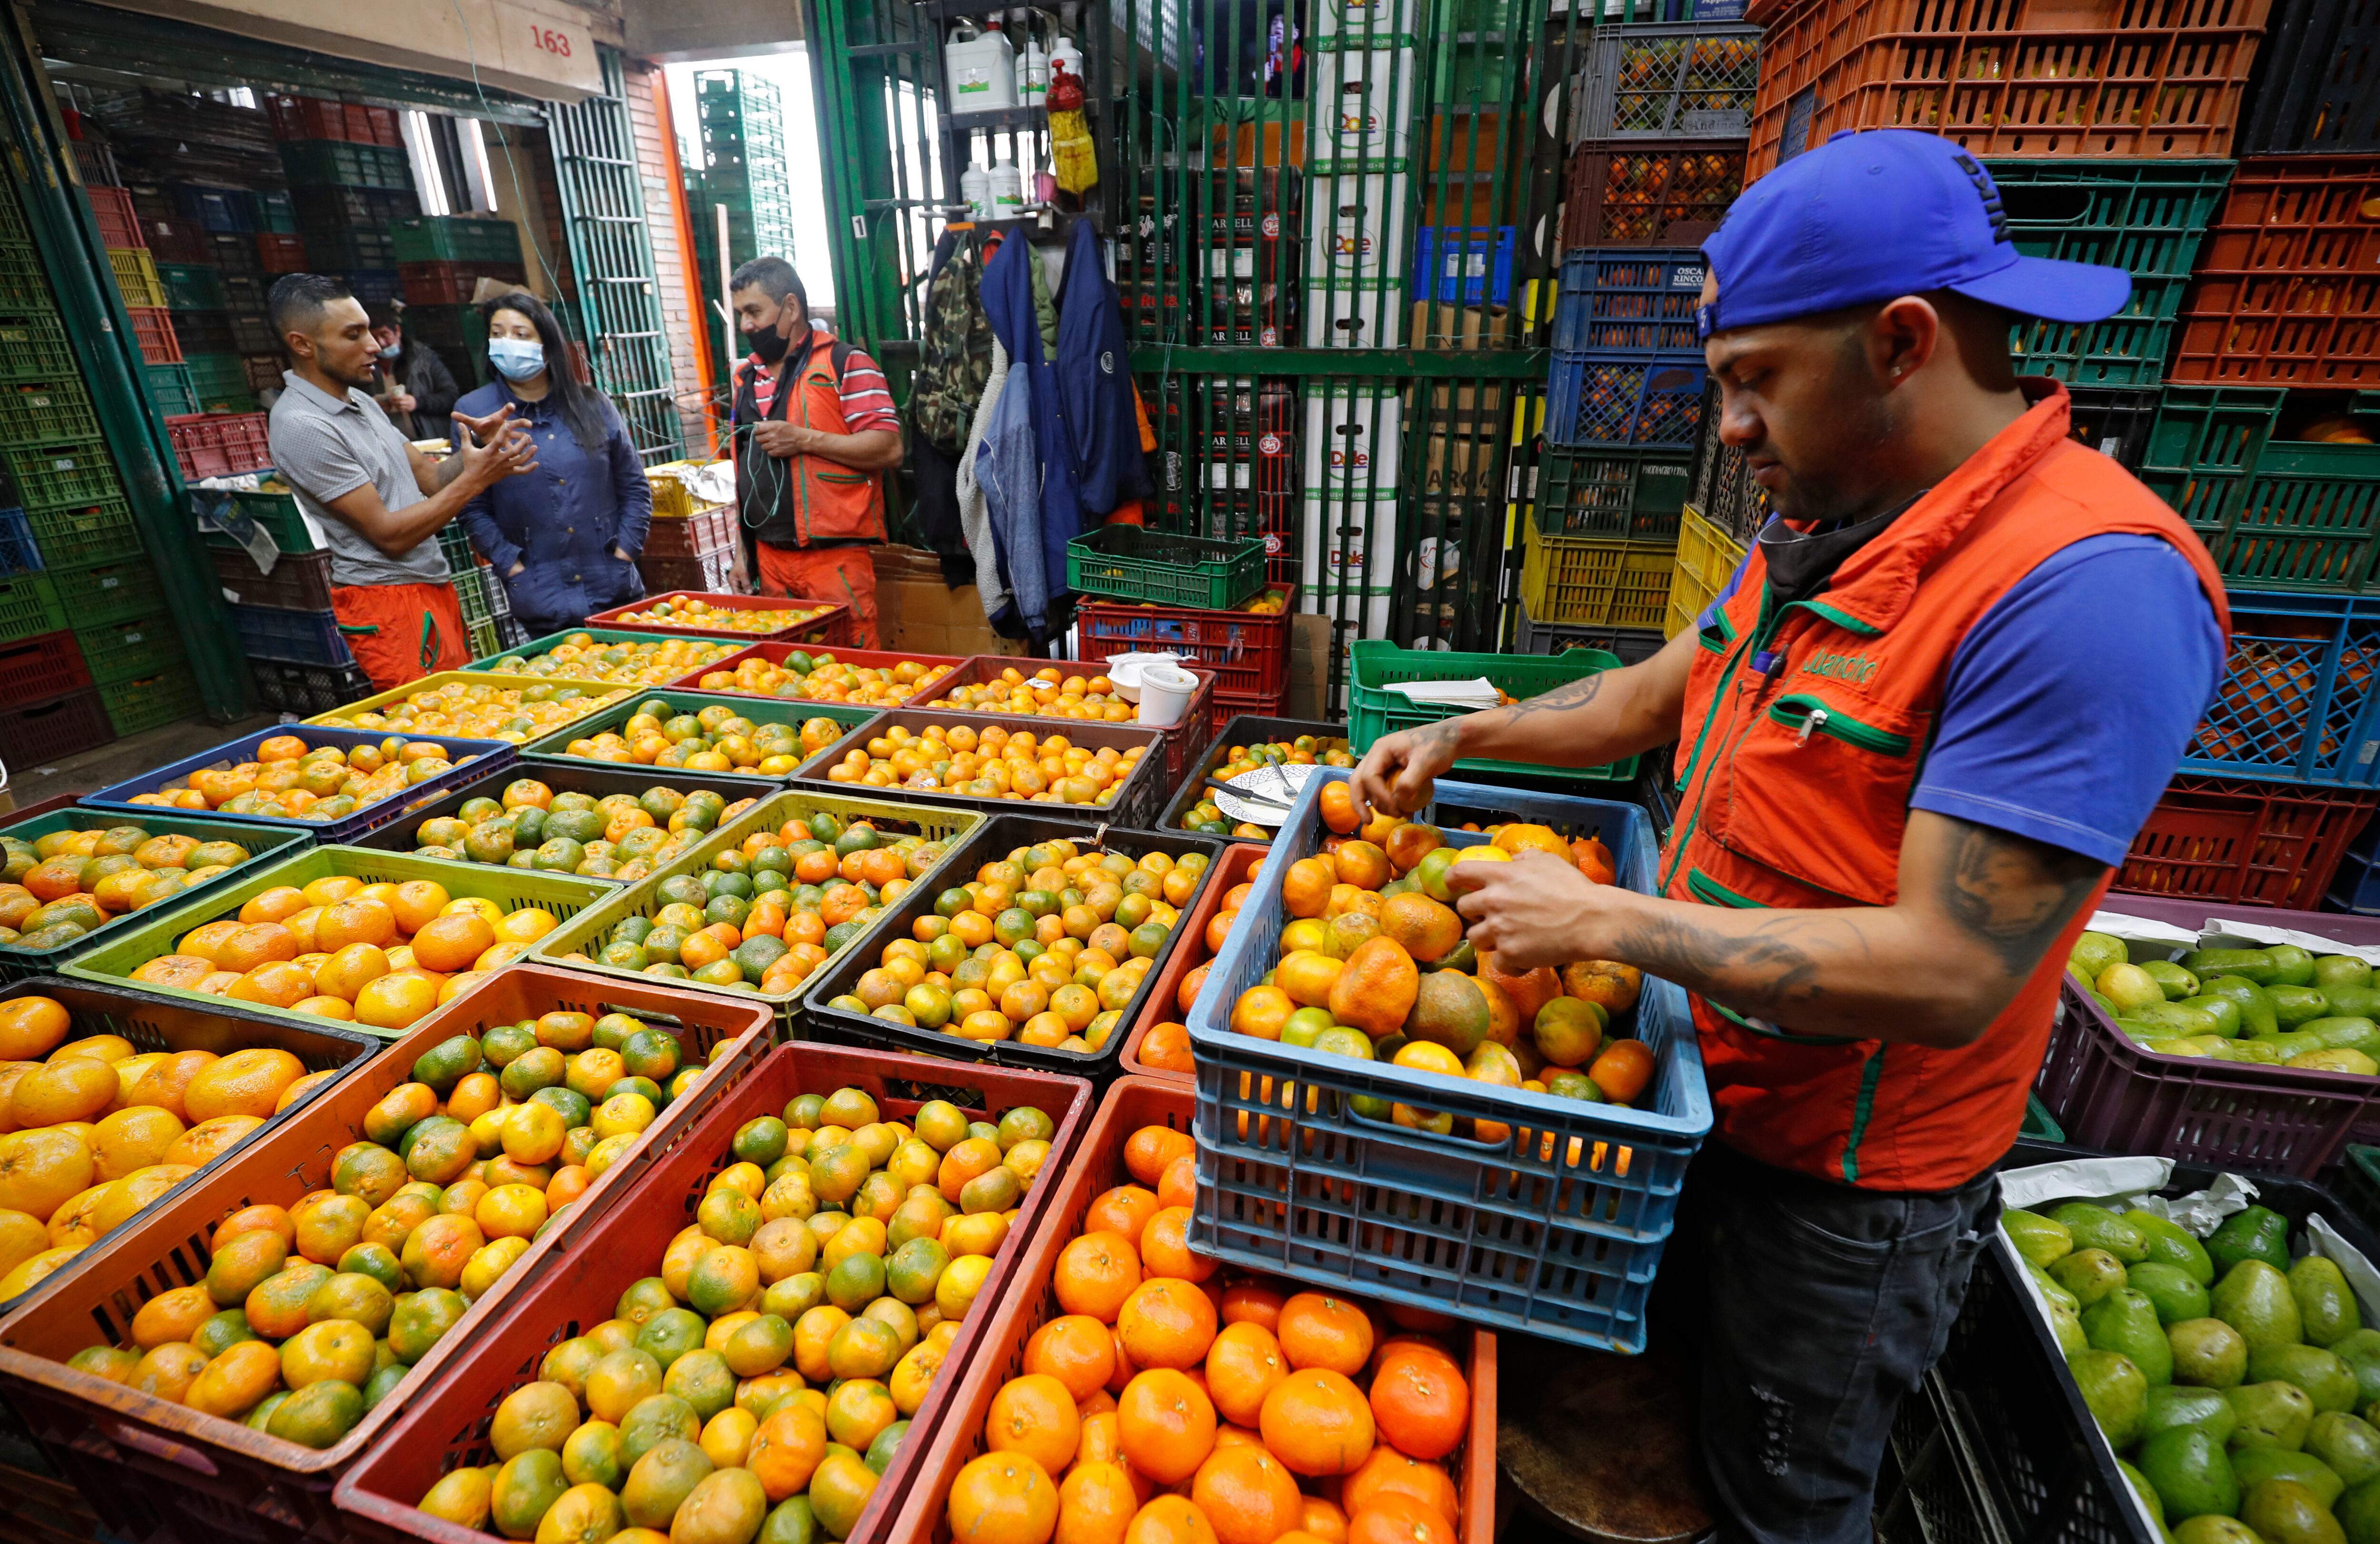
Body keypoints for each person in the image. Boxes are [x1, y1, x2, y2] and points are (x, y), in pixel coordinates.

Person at [1350, 130, 2231, 1543]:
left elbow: (1950, 967)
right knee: (1655, 1435)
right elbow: (1660, 689)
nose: (1732, 427)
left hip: (1842, 1199)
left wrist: (1604, 924)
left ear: (1898, 342)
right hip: (1701, 1090)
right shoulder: (1832, 518)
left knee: (1782, 1498)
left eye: (1753, 381)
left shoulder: (2081, 595)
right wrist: (1471, 732)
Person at [264, 273, 536, 691]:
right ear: (302, 344)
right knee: (432, 734)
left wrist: (475, 452)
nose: (374, 345)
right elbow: (390, 536)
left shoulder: (359, 402)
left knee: (466, 714)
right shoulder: (303, 426)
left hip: (429, 587)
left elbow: (430, 478)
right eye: (353, 335)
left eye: (369, 330)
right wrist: (478, 480)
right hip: (388, 601)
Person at [453, 291, 653, 640]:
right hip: (541, 600)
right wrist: (514, 569)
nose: (507, 343)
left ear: (547, 344)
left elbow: (634, 486)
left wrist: (625, 554)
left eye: (521, 334)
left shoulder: (592, 405)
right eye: (497, 333)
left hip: (615, 592)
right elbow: (472, 507)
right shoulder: (476, 412)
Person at [728, 257, 902, 646]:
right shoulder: (744, 381)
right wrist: (743, 551)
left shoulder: (847, 363)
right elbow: (744, 473)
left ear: (791, 308)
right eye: (740, 314)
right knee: (785, 675)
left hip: (834, 560)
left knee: (851, 672)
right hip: (769, 559)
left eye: (754, 311)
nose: (745, 325)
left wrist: (804, 439)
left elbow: (890, 447)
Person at [367, 304, 460, 442]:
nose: (381, 343)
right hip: (388, 443)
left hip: (428, 439)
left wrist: (417, 403)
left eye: (385, 335)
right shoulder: (365, 365)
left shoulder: (424, 360)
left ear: (397, 331)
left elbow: (451, 397)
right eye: (374, 337)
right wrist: (371, 406)